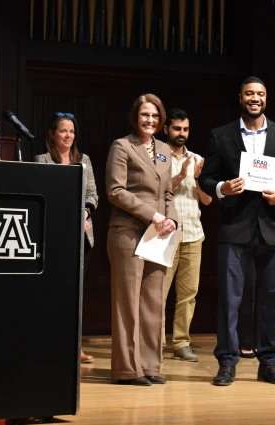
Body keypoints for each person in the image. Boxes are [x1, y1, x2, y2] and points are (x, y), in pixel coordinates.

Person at [199, 76, 275, 386]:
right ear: (240, 98)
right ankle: (227, 362)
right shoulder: (221, 136)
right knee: (229, 299)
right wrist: (222, 187)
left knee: (273, 298)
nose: (255, 98)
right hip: (234, 229)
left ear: (266, 98)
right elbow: (206, 179)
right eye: (249, 93)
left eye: (260, 93)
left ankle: (269, 362)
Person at [106, 94, 178, 386]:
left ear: (161, 120)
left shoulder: (164, 149)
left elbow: (169, 192)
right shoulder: (122, 146)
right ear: (135, 117)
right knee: (127, 303)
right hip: (128, 232)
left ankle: (149, 366)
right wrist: (152, 215)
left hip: (159, 235)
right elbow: (115, 191)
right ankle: (127, 369)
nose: (150, 120)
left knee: (153, 301)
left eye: (155, 115)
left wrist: (171, 218)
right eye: (144, 115)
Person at [34, 112, 98, 364]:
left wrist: (84, 210)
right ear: (52, 133)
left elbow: (93, 193)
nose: (68, 136)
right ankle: (49, 344)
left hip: (82, 235)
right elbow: (41, 196)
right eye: (63, 131)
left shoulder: (84, 160)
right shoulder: (42, 160)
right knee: (53, 292)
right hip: (54, 236)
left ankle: (74, 348)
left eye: (71, 131)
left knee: (76, 295)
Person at [161, 108, 211, 362]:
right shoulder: (158, 156)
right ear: (166, 129)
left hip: (193, 233)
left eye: (185, 129)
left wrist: (199, 179)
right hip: (165, 235)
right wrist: (182, 175)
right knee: (159, 292)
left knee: (189, 293)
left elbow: (208, 200)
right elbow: (158, 191)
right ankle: (154, 343)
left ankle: (181, 343)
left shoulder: (198, 158)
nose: (181, 134)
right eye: (177, 129)